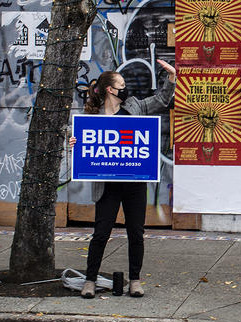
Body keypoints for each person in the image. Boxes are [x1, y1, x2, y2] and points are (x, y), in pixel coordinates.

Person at [72, 60, 176, 299]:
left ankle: (135, 280)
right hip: (107, 186)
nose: (125, 88)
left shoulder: (135, 107)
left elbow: (161, 101)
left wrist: (170, 78)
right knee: (101, 233)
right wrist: (75, 143)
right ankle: (90, 279)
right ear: (110, 89)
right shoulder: (93, 115)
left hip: (134, 184)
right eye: (121, 84)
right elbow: (82, 139)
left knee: (135, 233)